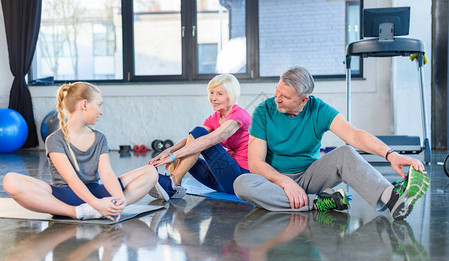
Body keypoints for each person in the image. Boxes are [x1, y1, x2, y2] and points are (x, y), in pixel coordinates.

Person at [233, 66, 430, 220]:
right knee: (242, 184)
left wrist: (391, 154)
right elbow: (256, 163)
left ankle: (391, 198)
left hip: (310, 177)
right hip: (274, 182)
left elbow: (354, 135)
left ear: (303, 100)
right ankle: (318, 203)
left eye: (285, 97)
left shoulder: (317, 109)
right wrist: (285, 183)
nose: (277, 99)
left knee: (345, 152)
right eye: (277, 92)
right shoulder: (263, 111)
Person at [3, 82, 158, 221]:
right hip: (66, 196)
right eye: (99, 105)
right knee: (10, 181)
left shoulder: (100, 138)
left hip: (97, 192)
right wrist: (96, 204)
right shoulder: (54, 139)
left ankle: (111, 208)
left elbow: (107, 174)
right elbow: (71, 178)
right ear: (84, 104)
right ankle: (77, 212)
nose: (101, 111)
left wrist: (119, 198)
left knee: (151, 171)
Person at [149, 73, 251, 199]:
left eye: (219, 94)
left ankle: (172, 182)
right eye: (212, 93)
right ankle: (175, 188)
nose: (213, 98)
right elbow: (194, 140)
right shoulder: (214, 119)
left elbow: (212, 139)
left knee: (197, 137)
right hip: (221, 180)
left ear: (231, 95)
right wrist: (169, 150)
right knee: (188, 148)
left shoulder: (239, 115)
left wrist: (173, 156)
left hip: (240, 179)